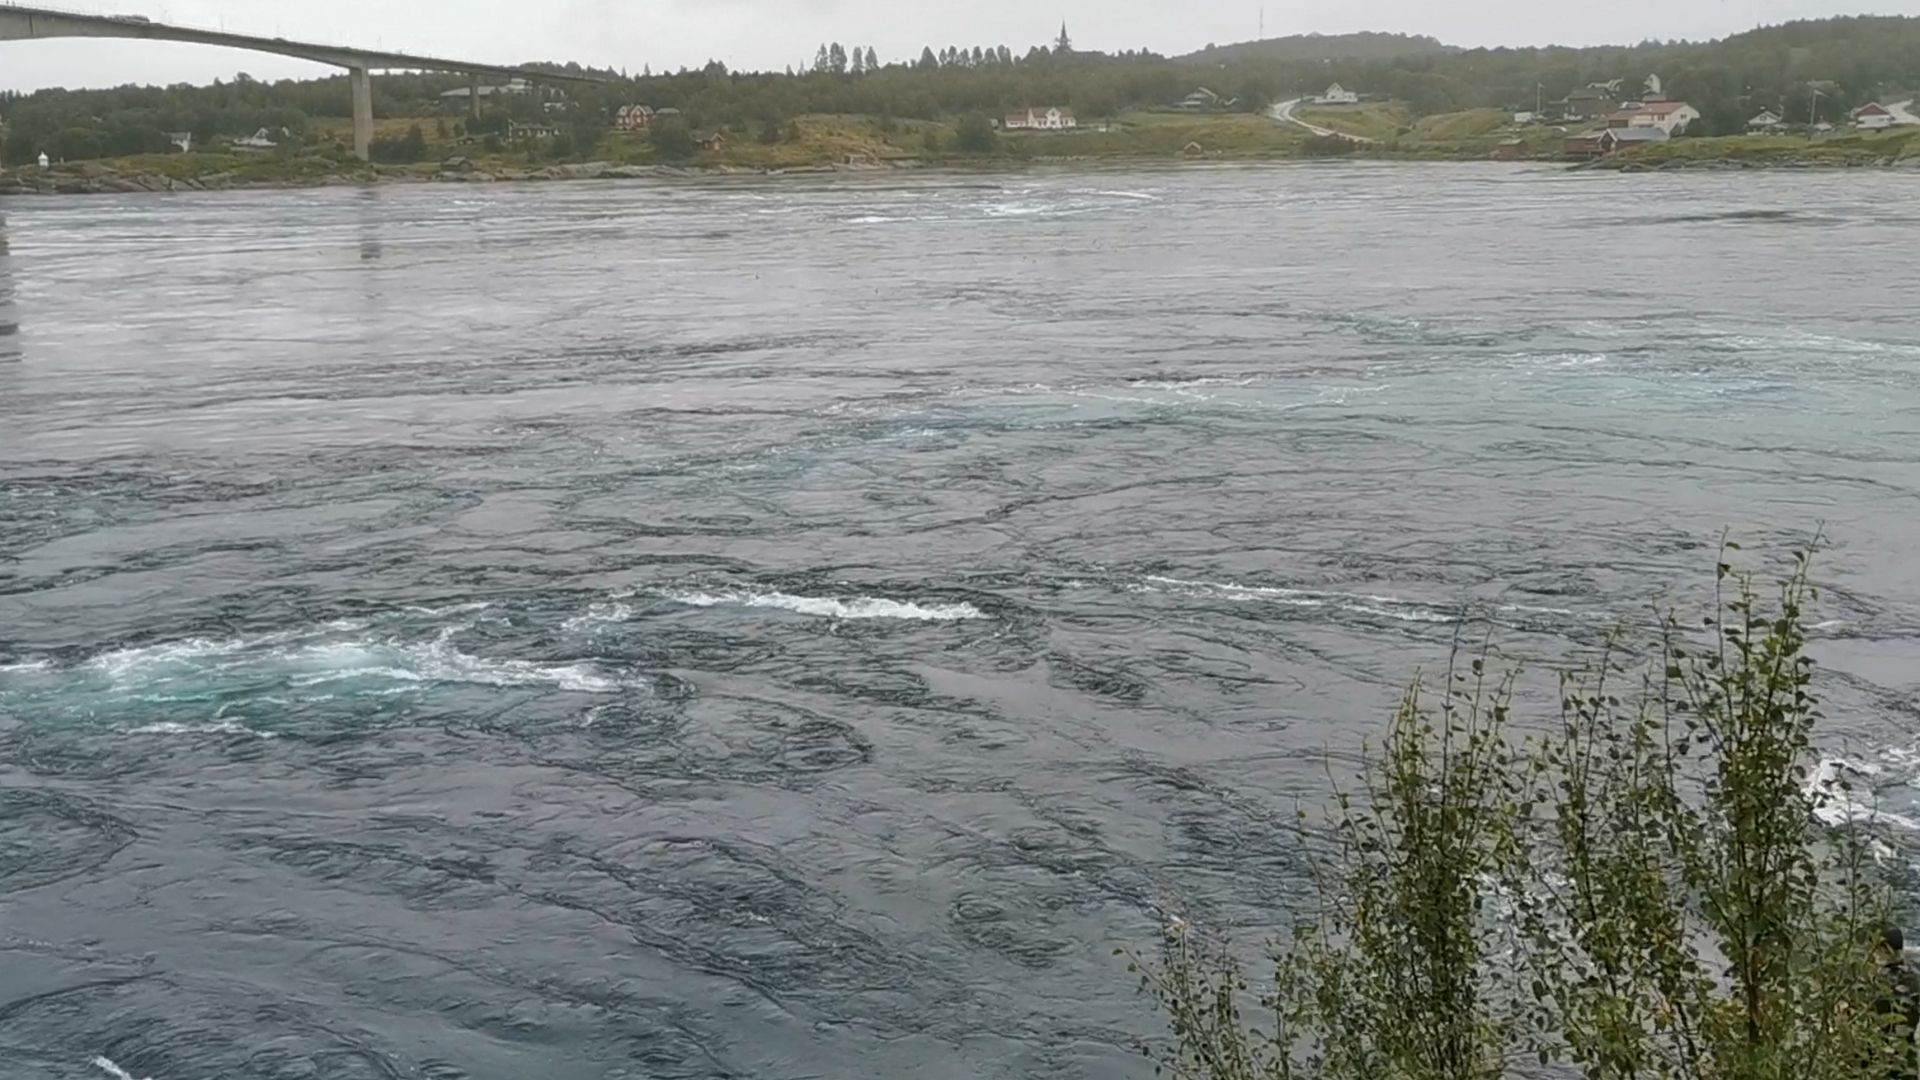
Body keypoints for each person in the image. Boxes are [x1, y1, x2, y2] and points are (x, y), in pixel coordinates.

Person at [1877, 925, 1920, 1080]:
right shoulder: (1915, 975)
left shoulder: (1879, 983)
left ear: (1885, 949)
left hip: (1884, 1056)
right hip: (1908, 1053)